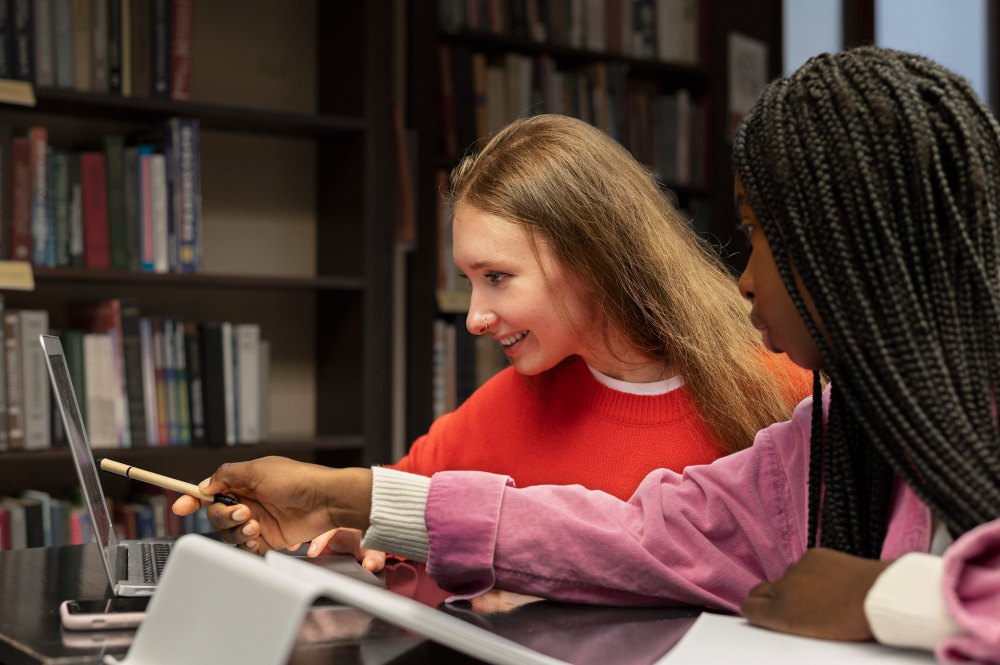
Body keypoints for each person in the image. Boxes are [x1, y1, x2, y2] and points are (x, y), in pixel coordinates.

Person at [174, 46, 1000, 662]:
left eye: (762, 237)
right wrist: (351, 495)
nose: (744, 277)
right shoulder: (823, 444)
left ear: (857, 251)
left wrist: (881, 595)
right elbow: (639, 532)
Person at [302, 113, 809, 567]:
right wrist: (361, 525)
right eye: (469, 282)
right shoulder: (508, 403)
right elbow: (405, 491)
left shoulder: (788, 394)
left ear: (591, 261)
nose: (475, 319)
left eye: (497, 277)